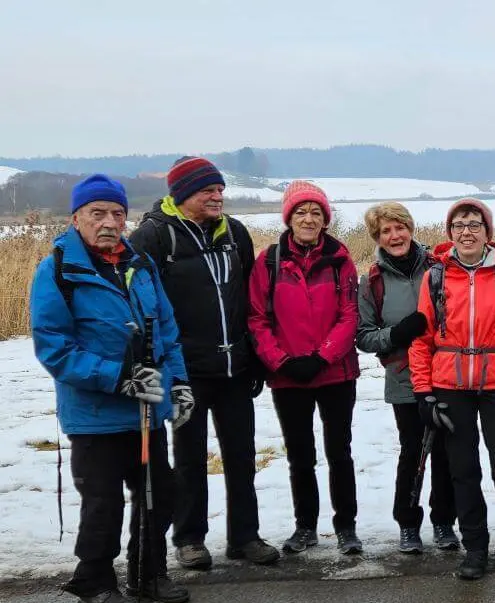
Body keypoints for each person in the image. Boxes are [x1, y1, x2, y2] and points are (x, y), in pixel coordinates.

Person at [31, 175, 192, 603]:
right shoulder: (59, 271)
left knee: (159, 492)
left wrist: (177, 382)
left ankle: (148, 570)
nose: (109, 222)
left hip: (147, 408)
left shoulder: (140, 265)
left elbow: (167, 331)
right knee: (103, 502)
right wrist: (118, 377)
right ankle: (95, 582)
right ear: (77, 218)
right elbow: (54, 348)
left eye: (117, 213)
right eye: (97, 213)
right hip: (96, 413)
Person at [130, 156, 279, 570]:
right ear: (182, 195)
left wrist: (254, 360)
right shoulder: (154, 237)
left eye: (219, 190)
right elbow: (146, 308)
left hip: (234, 369)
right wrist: (162, 365)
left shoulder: (235, 232)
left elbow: (250, 299)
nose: (217, 197)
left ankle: (245, 537)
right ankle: (190, 538)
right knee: (190, 457)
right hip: (186, 372)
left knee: (241, 457)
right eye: (207, 191)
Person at [409, 198, 495, 582]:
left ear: (487, 232)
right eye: (459, 226)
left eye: (474, 225)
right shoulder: (434, 277)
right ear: (450, 233)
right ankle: (476, 548)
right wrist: (422, 392)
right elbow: (421, 339)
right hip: (451, 385)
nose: (467, 232)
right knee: (463, 471)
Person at [247, 181, 362, 555]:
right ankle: (305, 527)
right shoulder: (269, 261)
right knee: (300, 455)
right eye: (301, 212)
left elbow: (349, 315)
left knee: (339, 452)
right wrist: (281, 362)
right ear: (289, 218)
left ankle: (346, 527)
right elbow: (257, 319)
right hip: (288, 376)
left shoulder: (341, 258)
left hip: (335, 373)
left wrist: (322, 356)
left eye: (316, 213)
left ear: (326, 220)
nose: (309, 219)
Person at [354, 201, 459, 554]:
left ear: (411, 229)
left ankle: (444, 522)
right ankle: (408, 524)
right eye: (386, 231)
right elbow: (364, 336)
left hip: (447, 373)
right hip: (404, 378)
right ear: (378, 237)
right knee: (413, 451)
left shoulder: (439, 267)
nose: (395, 235)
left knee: (446, 452)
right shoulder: (372, 281)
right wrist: (397, 334)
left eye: (400, 227)